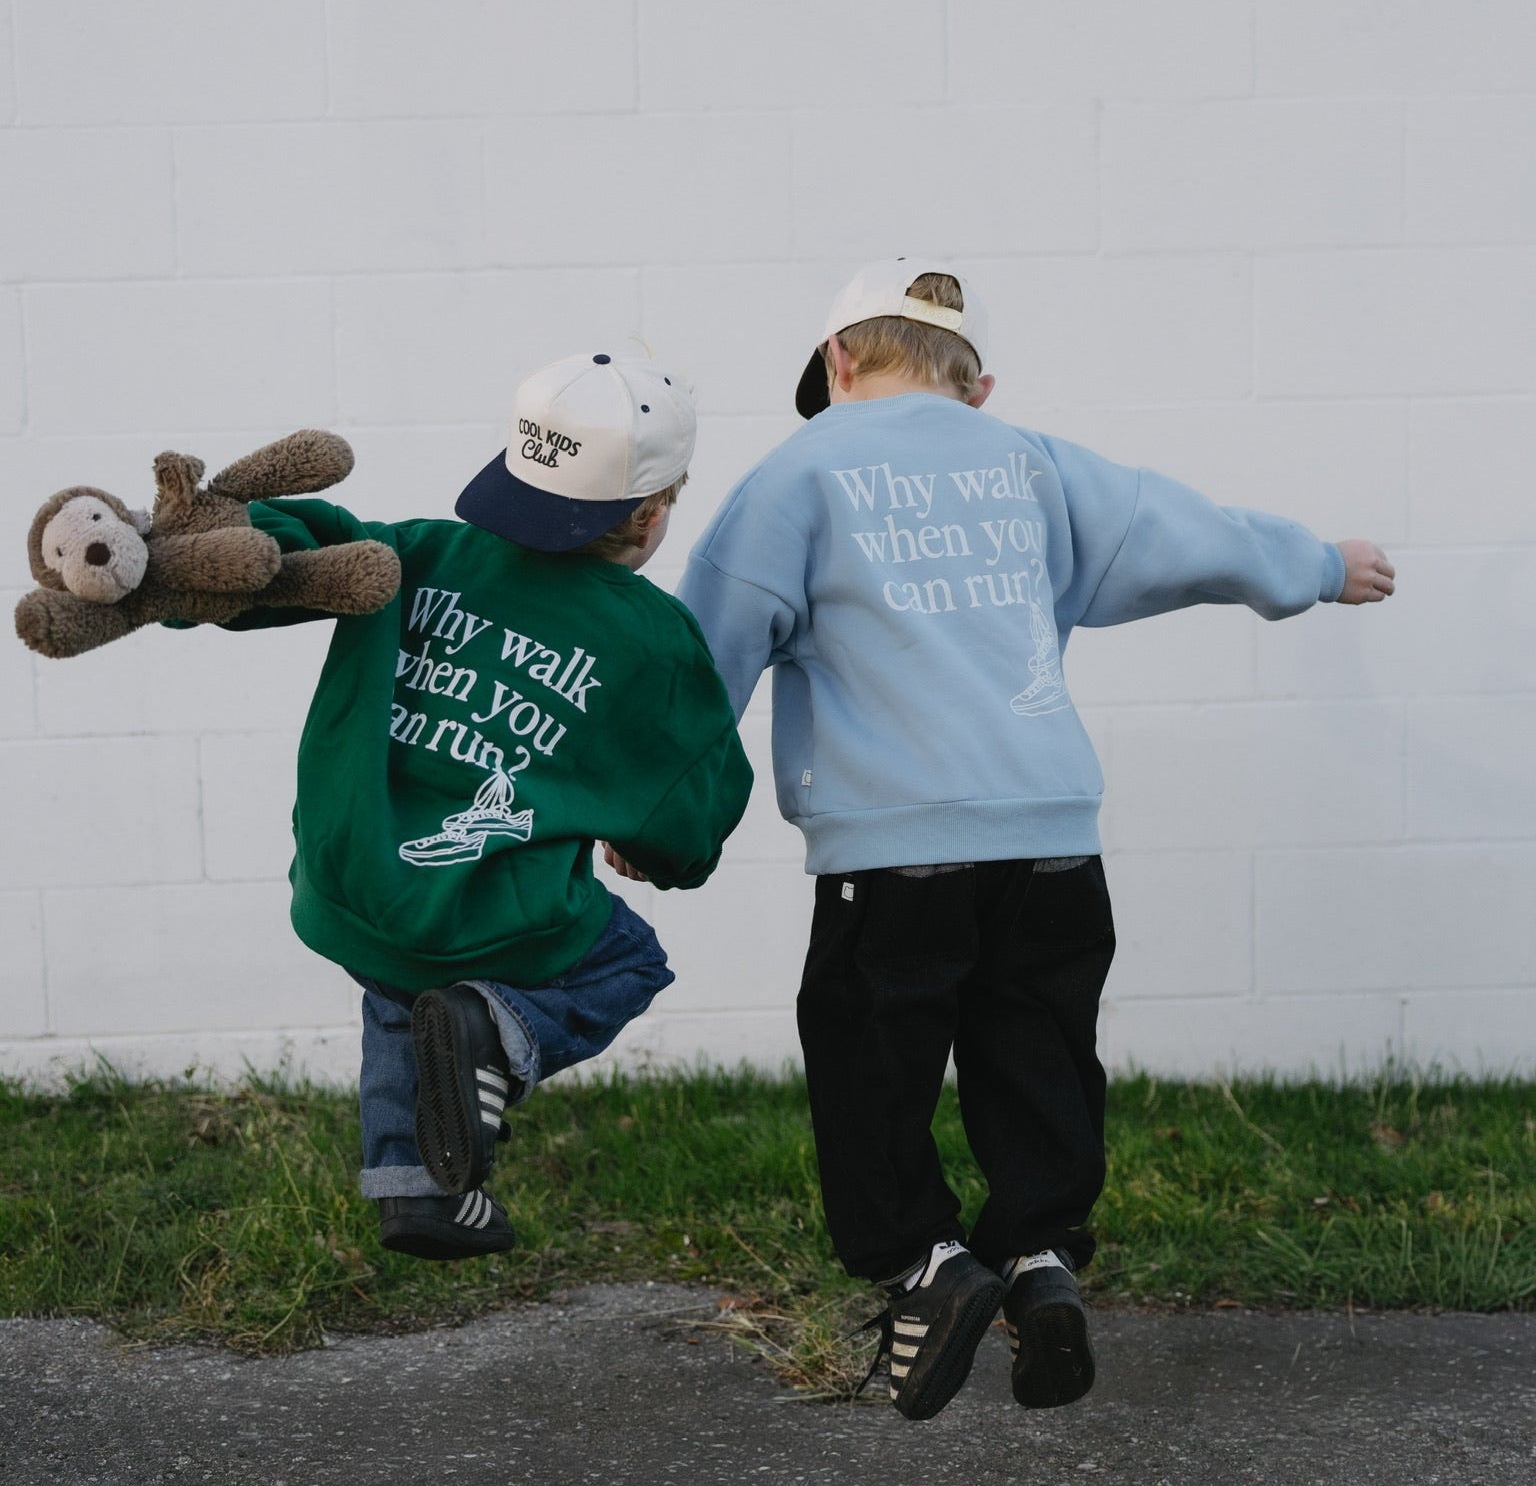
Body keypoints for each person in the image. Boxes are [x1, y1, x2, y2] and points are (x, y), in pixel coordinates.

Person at [671, 258, 1395, 1421]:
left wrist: (656, 803)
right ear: (980, 386)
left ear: (839, 362)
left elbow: (707, 648)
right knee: (1038, 1049)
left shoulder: (800, 472)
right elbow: (1183, 528)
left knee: (870, 1059)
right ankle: (1040, 1255)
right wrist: (1315, 565)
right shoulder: (1035, 465)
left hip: (892, 850)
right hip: (1051, 842)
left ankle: (924, 1263)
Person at [207, 351, 752, 1259]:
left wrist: (187, 553)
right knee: (625, 960)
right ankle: (498, 1036)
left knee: (407, 987)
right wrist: (660, 855)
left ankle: (416, 1191)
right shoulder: (653, 638)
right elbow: (693, 803)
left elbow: (286, 558)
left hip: (355, 881)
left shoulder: (418, 551)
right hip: (493, 916)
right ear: (652, 512)